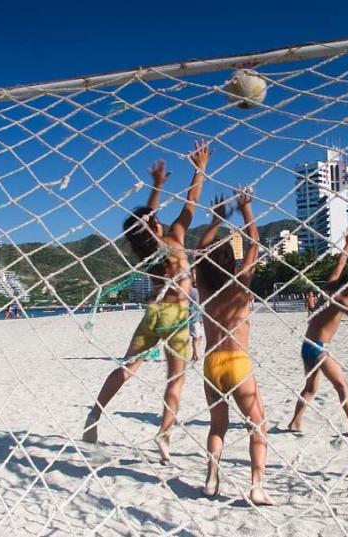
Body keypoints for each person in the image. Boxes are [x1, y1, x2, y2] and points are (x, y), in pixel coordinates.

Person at [82, 141, 210, 465]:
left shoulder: (147, 253)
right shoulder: (175, 238)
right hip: (179, 315)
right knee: (175, 379)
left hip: (154, 313)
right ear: (155, 225)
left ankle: (94, 414)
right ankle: (164, 436)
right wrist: (200, 168)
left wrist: (156, 186)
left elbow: (147, 220)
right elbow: (191, 202)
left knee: (128, 368)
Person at [195, 189, 273, 506]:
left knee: (218, 426)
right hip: (238, 362)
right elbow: (254, 242)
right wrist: (247, 209)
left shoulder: (204, 288)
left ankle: (211, 479)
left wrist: (215, 220)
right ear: (233, 262)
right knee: (258, 426)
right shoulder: (241, 284)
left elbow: (200, 251)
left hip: (211, 363)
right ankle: (256, 486)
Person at [287, 231, 348, 439]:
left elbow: (339, 265)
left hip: (307, 346)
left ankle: (295, 422)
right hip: (318, 348)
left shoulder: (329, 289)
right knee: (342, 385)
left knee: (311, 389)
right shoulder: (339, 298)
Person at [189, 275, 204, 363]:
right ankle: (197, 355)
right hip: (194, 317)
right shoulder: (191, 290)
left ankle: (194, 355)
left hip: (201, 316)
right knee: (196, 336)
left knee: (200, 336)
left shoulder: (200, 290)